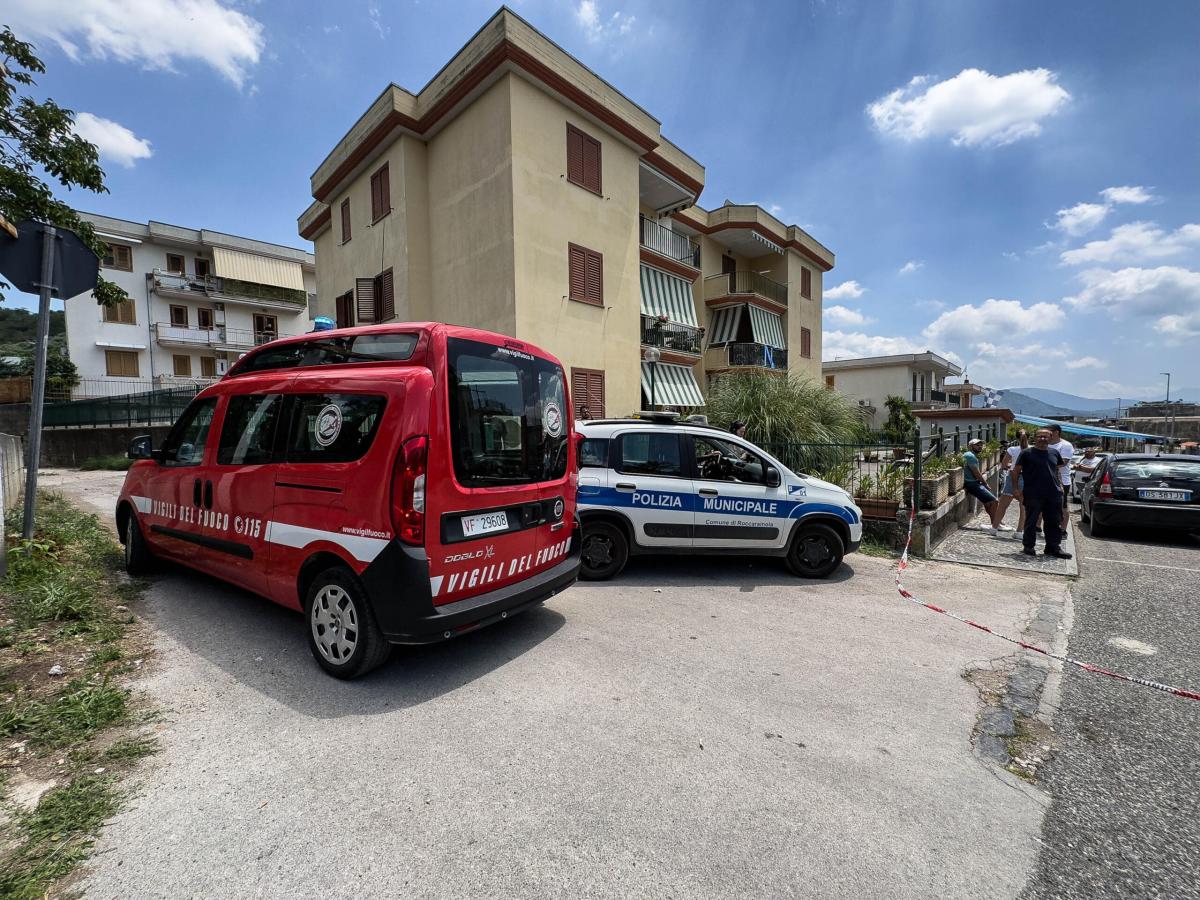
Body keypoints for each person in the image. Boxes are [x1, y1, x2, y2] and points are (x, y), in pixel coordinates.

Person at [1012, 429, 1073, 559]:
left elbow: (1056, 470)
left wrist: (1060, 485)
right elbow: (1015, 471)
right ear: (1035, 438)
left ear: (1050, 438)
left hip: (1053, 493)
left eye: (1045, 437)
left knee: (1054, 521)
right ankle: (1029, 546)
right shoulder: (1026, 453)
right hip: (1033, 493)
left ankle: (1053, 547)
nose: (1042, 439)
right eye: (1040, 436)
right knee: (1031, 521)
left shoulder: (1055, 452)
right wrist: (1016, 489)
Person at [961, 439, 1006, 535]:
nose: (980, 446)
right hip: (972, 484)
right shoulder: (970, 456)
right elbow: (976, 472)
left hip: (974, 483)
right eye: (977, 445)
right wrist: (985, 483)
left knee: (988, 503)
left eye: (981, 445)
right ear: (971, 446)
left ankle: (996, 523)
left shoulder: (971, 455)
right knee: (994, 501)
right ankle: (995, 524)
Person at [994, 430, 1029, 536]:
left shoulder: (1012, 449)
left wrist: (1011, 466)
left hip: (1012, 475)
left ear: (1017, 438)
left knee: (1003, 505)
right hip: (1027, 477)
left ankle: (994, 528)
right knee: (1024, 506)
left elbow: (1004, 464)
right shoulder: (1032, 450)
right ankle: (1019, 531)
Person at [1049, 423, 1074, 527]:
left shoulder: (1065, 445)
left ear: (1056, 432)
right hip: (1045, 479)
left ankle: (1063, 529)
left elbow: (1063, 462)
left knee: (1062, 506)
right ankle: (1038, 527)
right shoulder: (1045, 444)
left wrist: (1043, 464)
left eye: (1049, 432)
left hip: (1062, 481)